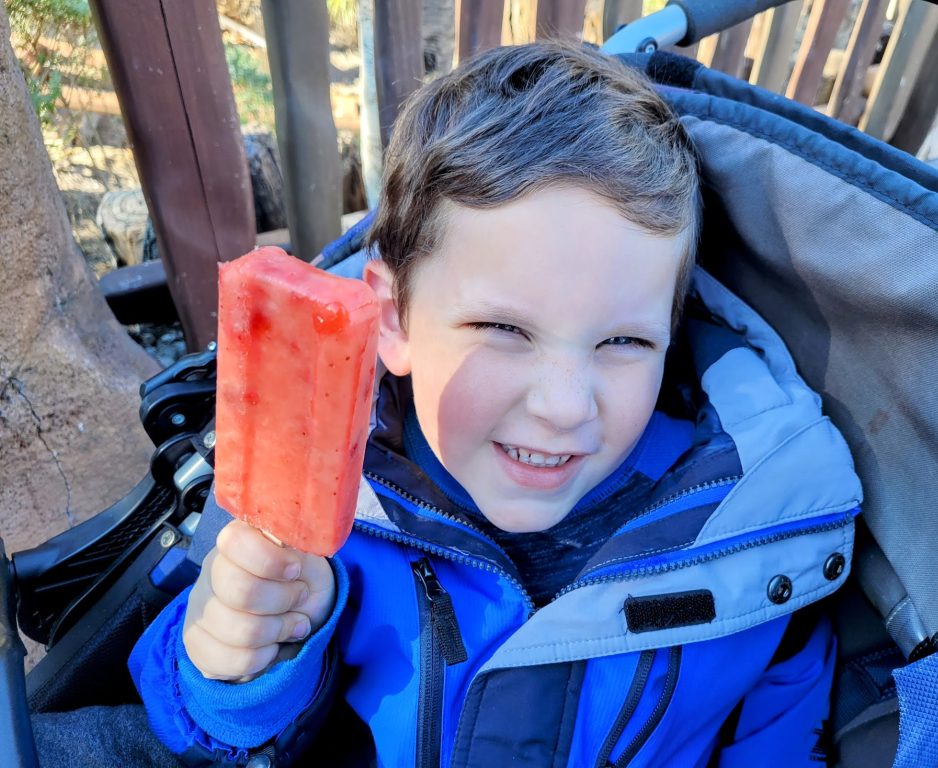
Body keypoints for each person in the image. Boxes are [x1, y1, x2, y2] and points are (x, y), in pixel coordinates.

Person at [129, 42, 861, 767]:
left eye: (624, 342)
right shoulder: (330, 509)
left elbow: (782, 726)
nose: (565, 406)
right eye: (506, 330)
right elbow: (210, 726)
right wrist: (242, 661)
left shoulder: (754, 531)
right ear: (392, 320)